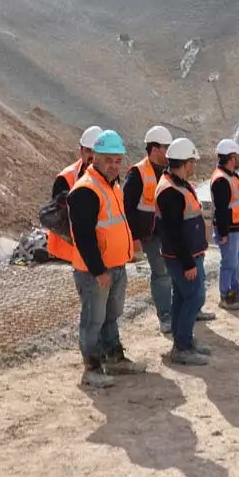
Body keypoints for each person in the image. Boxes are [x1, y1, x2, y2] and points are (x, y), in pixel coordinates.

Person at [67, 129, 145, 387]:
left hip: (115, 266)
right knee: (93, 319)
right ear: (95, 159)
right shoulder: (85, 190)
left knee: (110, 316)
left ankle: (114, 357)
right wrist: (99, 270)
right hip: (95, 272)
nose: (114, 165)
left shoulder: (112, 185)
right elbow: (84, 237)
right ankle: (92, 368)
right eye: (109, 160)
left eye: (117, 160)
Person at [156, 138, 212, 366]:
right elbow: (174, 232)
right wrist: (188, 263)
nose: (194, 166)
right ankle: (182, 346)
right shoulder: (170, 192)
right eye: (192, 161)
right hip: (182, 258)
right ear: (185, 163)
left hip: (188, 254)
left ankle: (183, 341)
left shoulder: (179, 184)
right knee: (195, 297)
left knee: (181, 297)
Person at [123, 125, 176, 334]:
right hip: (151, 235)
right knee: (161, 273)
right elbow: (127, 207)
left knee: (175, 272)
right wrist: (134, 237)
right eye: (166, 148)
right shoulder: (137, 173)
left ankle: (181, 310)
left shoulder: (170, 170)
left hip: (170, 232)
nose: (169, 152)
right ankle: (165, 316)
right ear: (155, 149)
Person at [47, 125, 102, 264]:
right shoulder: (66, 178)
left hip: (96, 250)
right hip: (70, 252)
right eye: (89, 150)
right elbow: (59, 219)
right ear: (81, 151)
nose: (92, 155)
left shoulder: (110, 177)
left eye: (97, 151)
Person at [212, 138, 239, 310]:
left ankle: (236, 291)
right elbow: (221, 210)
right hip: (229, 231)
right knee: (229, 263)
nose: (238, 160)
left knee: (235, 262)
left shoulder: (232, 176)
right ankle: (225, 295)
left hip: (238, 228)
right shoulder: (221, 179)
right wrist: (222, 233)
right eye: (237, 156)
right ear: (231, 158)